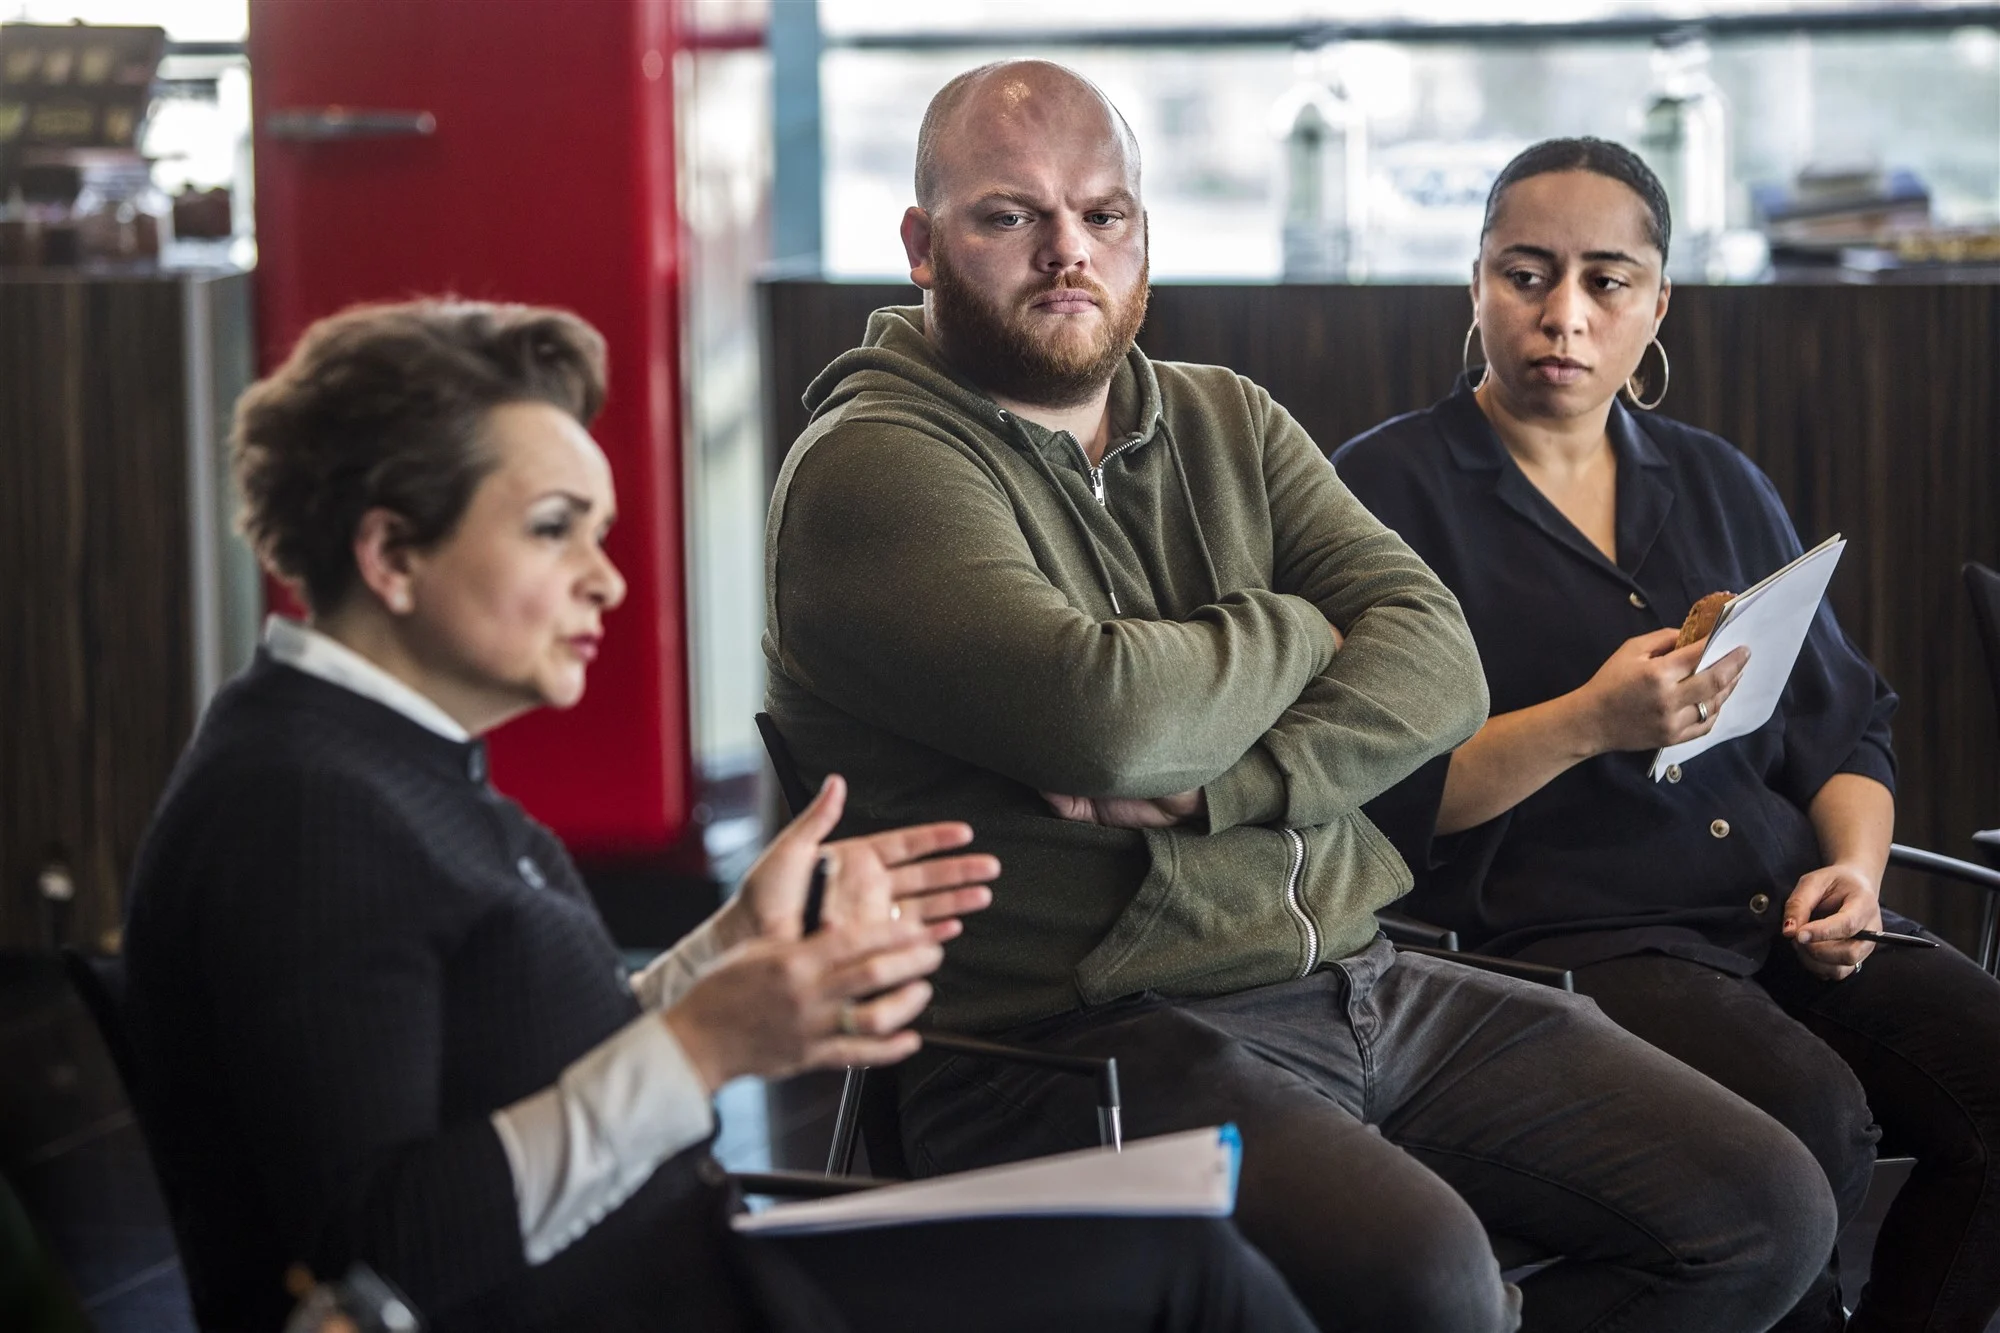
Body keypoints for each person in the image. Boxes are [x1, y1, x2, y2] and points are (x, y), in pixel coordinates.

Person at [764, 59, 1842, 1333]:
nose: (1068, 251)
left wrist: (1231, 774)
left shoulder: (1227, 418)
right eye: (1010, 216)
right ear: (921, 246)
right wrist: (1299, 624)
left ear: (1142, 239)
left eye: (1103, 215)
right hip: (1070, 1034)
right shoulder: (873, 466)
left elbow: (1439, 658)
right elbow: (1106, 720)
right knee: (1429, 1281)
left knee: (1764, 1205)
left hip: (1355, 971)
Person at [119, 298, 1318, 1333]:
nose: (607, 577)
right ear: (390, 552)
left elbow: (497, 1075)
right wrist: (705, 1044)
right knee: (1184, 1272)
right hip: (648, 1300)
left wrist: (723, 956)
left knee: (1177, 1247)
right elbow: (380, 1251)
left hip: (680, 1267)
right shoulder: (304, 815)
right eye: (552, 529)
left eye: (595, 529)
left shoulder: (372, 762)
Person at [1333, 137, 2000, 1333]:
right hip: (1568, 943)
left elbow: (1845, 729)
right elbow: (1372, 792)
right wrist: (1590, 721)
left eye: (1605, 280)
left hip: (1782, 906)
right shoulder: (1382, 493)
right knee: (1809, 1119)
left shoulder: (1713, 477)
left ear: (1656, 301)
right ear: (1472, 283)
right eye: (1524, 274)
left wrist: (1852, 870)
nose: (1563, 316)